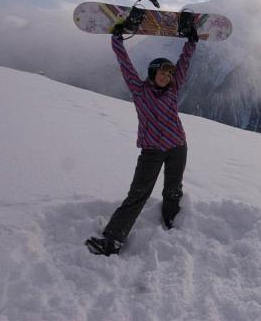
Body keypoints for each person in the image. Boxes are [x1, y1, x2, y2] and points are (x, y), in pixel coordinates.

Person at [85, 23, 198, 256]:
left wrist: (191, 43)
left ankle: (171, 221)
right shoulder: (139, 91)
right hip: (152, 151)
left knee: (173, 189)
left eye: (169, 73)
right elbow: (125, 65)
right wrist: (117, 40)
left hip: (178, 146)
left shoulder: (173, 89)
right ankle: (113, 239)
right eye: (162, 73)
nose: (167, 77)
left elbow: (184, 65)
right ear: (152, 74)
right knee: (138, 194)